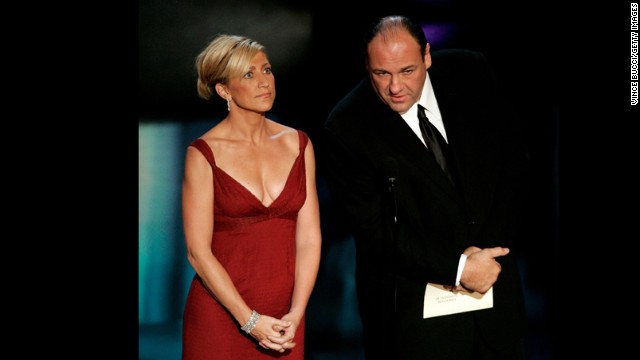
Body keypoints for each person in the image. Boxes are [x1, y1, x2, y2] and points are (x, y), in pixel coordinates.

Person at [321, 15, 531, 359]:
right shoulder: (346, 126)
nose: (394, 87)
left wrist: (485, 255)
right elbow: (375, 232)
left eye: (407, 71)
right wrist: (460, 268)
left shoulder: (470, 73)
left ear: (427, 56)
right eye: (381, 73)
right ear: (366, 66)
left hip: (495, 298)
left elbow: (515, 165)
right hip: (416, 321)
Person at [181, 34, 322, 359]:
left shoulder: (299, 144)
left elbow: (309, 239)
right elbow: (197, 253)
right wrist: (250, 321)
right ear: (224, 90)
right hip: (221, 319)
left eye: (267, 70)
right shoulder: (203, 154)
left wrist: (297, 313)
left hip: (286, 319)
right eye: (249, 74)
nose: (264, 82)